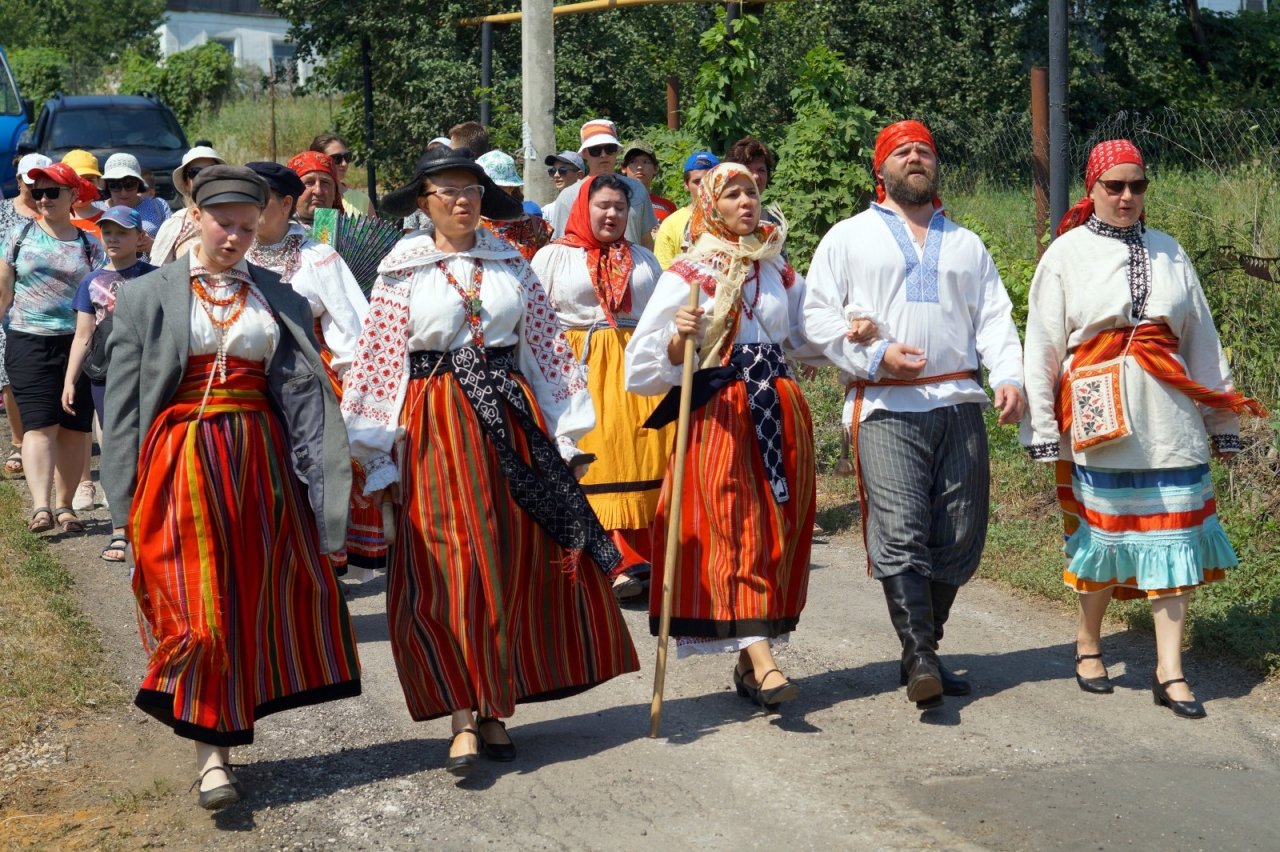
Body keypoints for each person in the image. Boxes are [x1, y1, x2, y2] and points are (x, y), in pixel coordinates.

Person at [342, 148, 638, 774]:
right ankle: (461, 712)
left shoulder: (511, 263)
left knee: (505, 561)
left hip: (510, 419)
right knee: (450, 566)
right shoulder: (401, 270)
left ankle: (496, 707)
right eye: (447, 190)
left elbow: (547, 349)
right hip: (435, 427)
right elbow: (378, 365)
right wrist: (376, 457)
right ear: (423, 203)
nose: (461, 200)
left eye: (471, 189)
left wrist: (567, 435)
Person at [101, 165, 362, 809]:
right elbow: (125, 411)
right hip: (180, 465)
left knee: (241, 604)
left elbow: (305, 402)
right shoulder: (146, 296)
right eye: (224, 224)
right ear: (194, 216)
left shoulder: (278, 296)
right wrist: (122, 507)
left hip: (259, 468)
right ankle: (210, 757)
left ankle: (217, 745)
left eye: (247, 228)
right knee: (198, 610)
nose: (235, 238)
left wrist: (325, 494)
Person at [1022, 140, 1265, 719]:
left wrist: (1222, 421)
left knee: (1175, 537)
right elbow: (1043, 345)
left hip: (1170, 418)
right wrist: (1042, 426)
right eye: (1115, 186)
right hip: (1099, 416)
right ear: (1093, 189)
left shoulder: (1170, 251)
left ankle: (1170, 671)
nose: (1127, 196)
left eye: (1138, 186)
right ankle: (1088, 644)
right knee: (1104, 538)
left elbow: (1201, 339)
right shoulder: (1066, 254)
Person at [802, 120, 1025, 711]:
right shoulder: (848, 237)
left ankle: (923, 650)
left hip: (959, 401)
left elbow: (994, 318)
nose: (915, 158)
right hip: (886, 405)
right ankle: (922, 656)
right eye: (902, 152)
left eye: (924, 150)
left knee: (960, 531)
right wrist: (876, 356)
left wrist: (1008, 375)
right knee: (901, 528)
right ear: (881, 169)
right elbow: (816, 316)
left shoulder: (966, 243)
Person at [625, 162, 823, 712]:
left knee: (775, 531)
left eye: (751, 192)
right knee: (733, 529)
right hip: (721, 410)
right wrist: (677, 338)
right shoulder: (688, 273)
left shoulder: (776, 267)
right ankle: (766, 662)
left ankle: (748, 664)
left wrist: (856, 336)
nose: (745, 202)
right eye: (732, 194)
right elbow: (642, 368)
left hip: (777, 407)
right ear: (711, 205)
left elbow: (807, 335)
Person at [531, 174, 670, 600]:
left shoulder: (644, 259)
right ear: (582, 207)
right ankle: (611, 559)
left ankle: (651, 557)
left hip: (637, 370)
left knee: (645, 454)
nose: (612, 214)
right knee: (600, 457)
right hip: (581, 369)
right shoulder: (553, 257)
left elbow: (663, 316)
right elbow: (534, 319)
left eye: (620, 208)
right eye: (603, 206)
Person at [244, 160, 383, 578]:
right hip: (245, 377)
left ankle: (317, 568)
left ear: (287, 204)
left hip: (308, 374)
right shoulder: (231, 252)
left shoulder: (318, 257)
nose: (250, 208)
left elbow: (350, 325)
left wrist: (356, 388)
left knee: (313, 470)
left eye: (260, 199)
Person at [0, 162, 105, 534]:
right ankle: (41, 507)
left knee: (74, 426)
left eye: (52, 192)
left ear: (73, 195)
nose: (43, 198)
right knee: (40, 423)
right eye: (38, 192)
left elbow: (103, 298)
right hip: (28, 339)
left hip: (79, 343)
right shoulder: (18, 235)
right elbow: (3, 291)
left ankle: (65, 507)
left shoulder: (90, 244)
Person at [62, 205, 154, 560]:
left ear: (139, 237)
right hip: (106, 376)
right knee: (116, 449)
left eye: (122, 232)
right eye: (107, 232)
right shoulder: (91, 281)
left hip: (150, 374)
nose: (113, 238)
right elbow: (83, 335)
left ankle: (150, 525)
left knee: (150, 447)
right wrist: (70, 380)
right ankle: (120, 529)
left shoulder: (157, 277)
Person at [0, 153, 46, 476]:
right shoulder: (3, 212)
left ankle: (46, 436)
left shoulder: (54, 207)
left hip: (47, 305)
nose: (38, 187)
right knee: (9, 373)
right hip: (9, 303)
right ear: (18, 181)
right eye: (32, 181)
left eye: (45, 181)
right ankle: (19, 441)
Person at [548, 119, 657, 250]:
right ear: (585, 153)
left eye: (609, 149)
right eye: (595, 150)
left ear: (616, 151)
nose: (603, 155)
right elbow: (561, 244)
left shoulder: (636, 189)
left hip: (632, 262)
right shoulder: (568, 196)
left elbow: (646, 240)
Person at [150, 145, 226, 265]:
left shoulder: (237, 218)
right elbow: (158, 269)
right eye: (194, 172)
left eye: (210, 171)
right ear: (186, 183)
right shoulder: (175, 224)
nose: (203, 177)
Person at [475, 150, 552, 261]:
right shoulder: (466, 225)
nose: (487, 193)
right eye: (482, 188)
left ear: (511, 188)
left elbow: (545, 265)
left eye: (494, 188)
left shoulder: (535, 226)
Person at [652, 151, 718, 269]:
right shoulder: (671, 224)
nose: (704, 186)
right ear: (686, 185)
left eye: (710, 179)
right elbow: (663, 272)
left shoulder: (734, 219)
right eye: (697, 181)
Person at [101, 153, 172, 254]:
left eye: (129, 185)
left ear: (139, 183)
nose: (123, 193)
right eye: (115, 185)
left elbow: (174, 241)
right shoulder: (97, 210)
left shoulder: (158, 205)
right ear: (107, 186)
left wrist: (154, 246)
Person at [310, 132, 371, 216]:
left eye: (347, 157)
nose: (344, 163)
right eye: (336, 158)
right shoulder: (307, 199)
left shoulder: (361, 200)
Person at [621, 140, 676, 224]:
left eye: (645, 162)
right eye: (633, 161)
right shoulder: (616, 204)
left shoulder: (668, 207)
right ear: (623, 168)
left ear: (655, 168)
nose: (639, 167)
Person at [287, 151, 341, 233]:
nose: (318, 191)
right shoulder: (277, 231)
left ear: (335, 193)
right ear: (293, 191)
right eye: (309, 182)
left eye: (325, 182)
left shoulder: (350, 230)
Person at [61, 149, 106, 241]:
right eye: (76, 180)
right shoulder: (52, 220)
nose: (84, 187)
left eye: (89, 180)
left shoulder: (109, 220)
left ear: (98, 182)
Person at [540, 150, 586, 225]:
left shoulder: (591, 205)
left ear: (579, 175)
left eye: (562, 170)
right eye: (552, 171)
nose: (556, 175)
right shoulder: (546, 211)